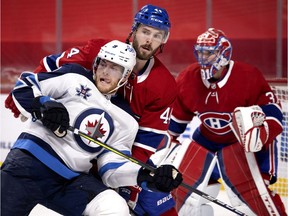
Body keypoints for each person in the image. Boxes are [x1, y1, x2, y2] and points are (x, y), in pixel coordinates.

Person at [4, 4, 180, 216]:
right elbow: (34, 80)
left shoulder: (135, 111)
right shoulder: (75, 76)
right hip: (29, 166)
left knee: (139, 204)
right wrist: (38, 103)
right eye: (145, 31)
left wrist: (143, 175)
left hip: (81, 171)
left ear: (126, 77)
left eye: (156, 35)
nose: (149, 40)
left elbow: (135, 148)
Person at [164, 28, 287, 215]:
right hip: (206, 143)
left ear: (224, 53)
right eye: (201, 52)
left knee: (254, 201)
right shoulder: (188, 78)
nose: (203, 58)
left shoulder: (248, 76)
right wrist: (166, 151)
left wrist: (261, 134)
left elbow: (274, 115)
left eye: (210, 53)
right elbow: (172, 127)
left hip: (243, 147)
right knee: (179, 197)